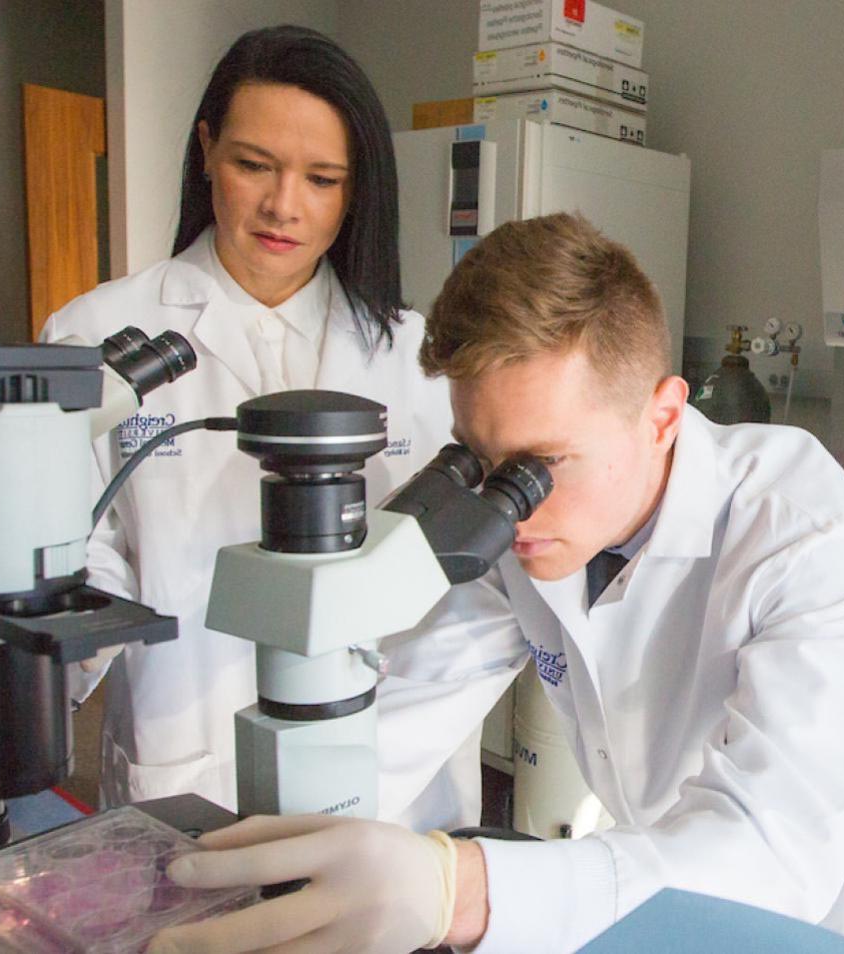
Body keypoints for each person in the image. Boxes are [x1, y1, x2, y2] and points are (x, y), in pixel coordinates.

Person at [145, 212, 844, 954]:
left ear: (662, 417)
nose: (507, 505)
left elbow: (769, 856)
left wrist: (458, 890)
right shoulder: (526, 528)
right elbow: (404, 714)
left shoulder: (805, 536)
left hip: (812, 916)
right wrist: (253, 864)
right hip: (643, 872)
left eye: (542, 466)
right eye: (478, 461)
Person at [41, 26, 522, 829]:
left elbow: (480, 595)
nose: (283, 206)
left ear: (357, 187)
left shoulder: (416, 354)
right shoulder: (97, 335)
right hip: (194, 761)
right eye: (252, 164)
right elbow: (72, 563)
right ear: (205, 151)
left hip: (394, 784)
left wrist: (368, 755)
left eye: (323, 178)